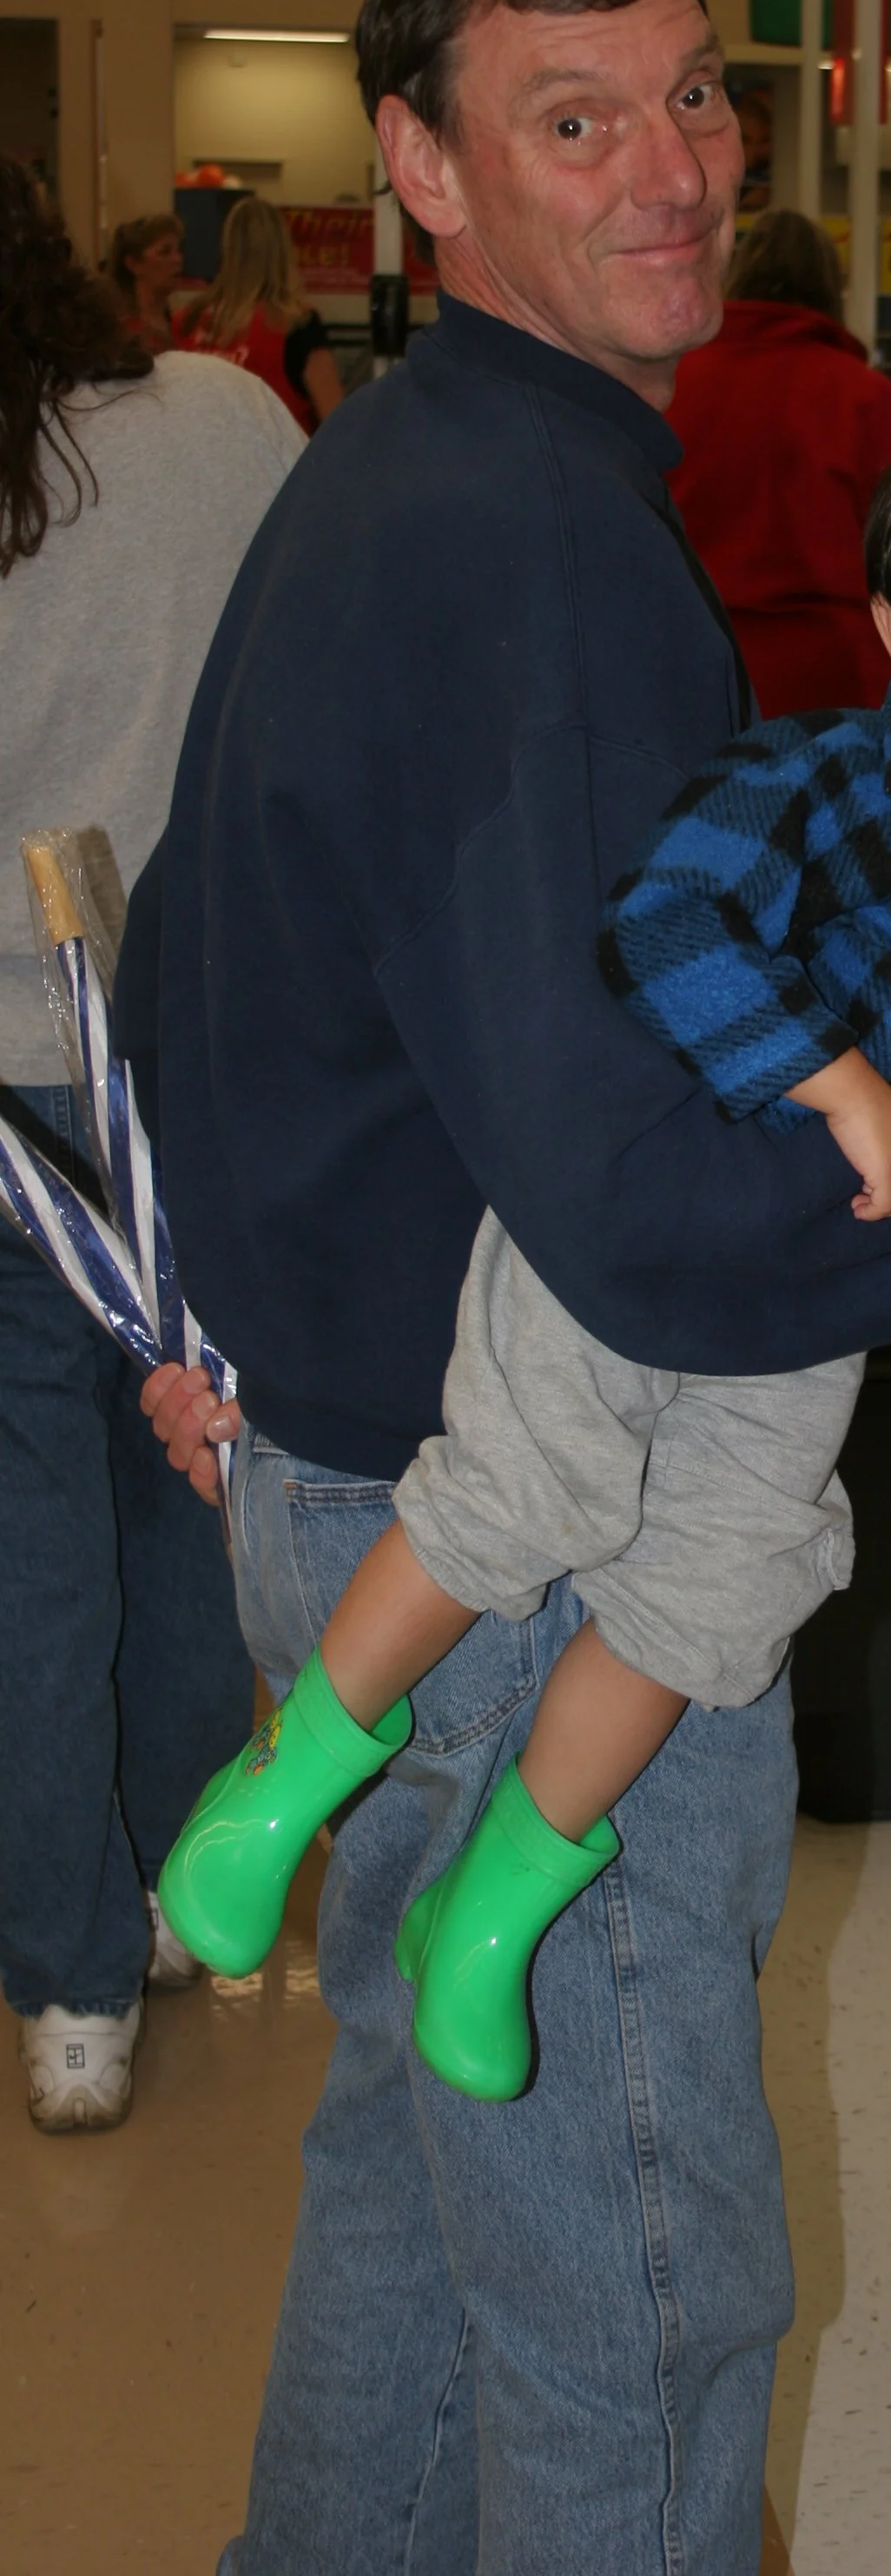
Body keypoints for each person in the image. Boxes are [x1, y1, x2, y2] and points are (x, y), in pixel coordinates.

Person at [121, 0, 891, 2576]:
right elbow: (633, 1188)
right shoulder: (530, 541)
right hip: (528, 1558)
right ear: (423, 167)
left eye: (693, 97)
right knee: (633, 2282)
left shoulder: (410, 474)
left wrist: (244, 1346)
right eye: (573, 120)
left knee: (419, 2178)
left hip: (357, 1492)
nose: (672, 169)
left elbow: (213, 956)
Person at [157, 378, 891, 2104]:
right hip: (646, 1217)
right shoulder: (832, 778)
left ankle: (493, 1904)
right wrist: (837, 1079)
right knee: (522, 1492)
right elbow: (661, 918)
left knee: (718, 1590)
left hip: (824, 1298)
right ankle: (276, 1784)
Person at [0, 162, 301, 2131]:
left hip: (5, 1087)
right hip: (199, 1056)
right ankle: (190, 1890)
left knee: (25, 1541)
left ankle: (67, 1980)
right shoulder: (223, 425)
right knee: (192, 1471)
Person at [663, 206, 891, 715]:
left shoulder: (671, 387)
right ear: (832, 289)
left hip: (688, 662)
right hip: (838, 675)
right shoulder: (868, 399)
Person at [176, 195, 344, 431]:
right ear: (284, 250)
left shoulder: (187, 320)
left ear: (227, 249)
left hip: (198, 450)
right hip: (276, 453)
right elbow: (338, 424)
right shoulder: (297, 324)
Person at [104, 210, 186, 357]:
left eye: (178, 250)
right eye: (165, 252)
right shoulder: (120, 331)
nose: (178, 259)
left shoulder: (184, 325)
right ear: (133, 264)